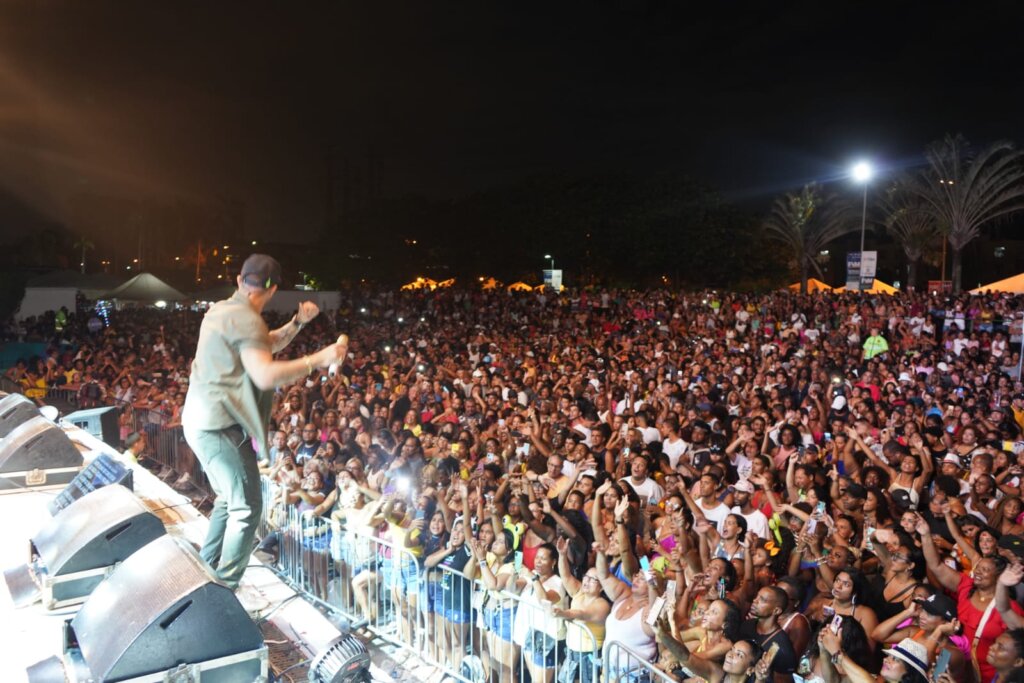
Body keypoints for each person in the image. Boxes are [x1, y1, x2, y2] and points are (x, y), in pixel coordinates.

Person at [182, 254, 347, 589]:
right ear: (272, 288)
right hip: (218, 430)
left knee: (229, 501)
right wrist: (318, 358)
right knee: (248, 508)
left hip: (199, 423)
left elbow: (264, 344)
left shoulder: (222, 310)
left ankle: (205, 569)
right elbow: (264, 373)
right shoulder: (247, 319)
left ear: (240, 280)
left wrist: (297, 323)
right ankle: (224, 587)